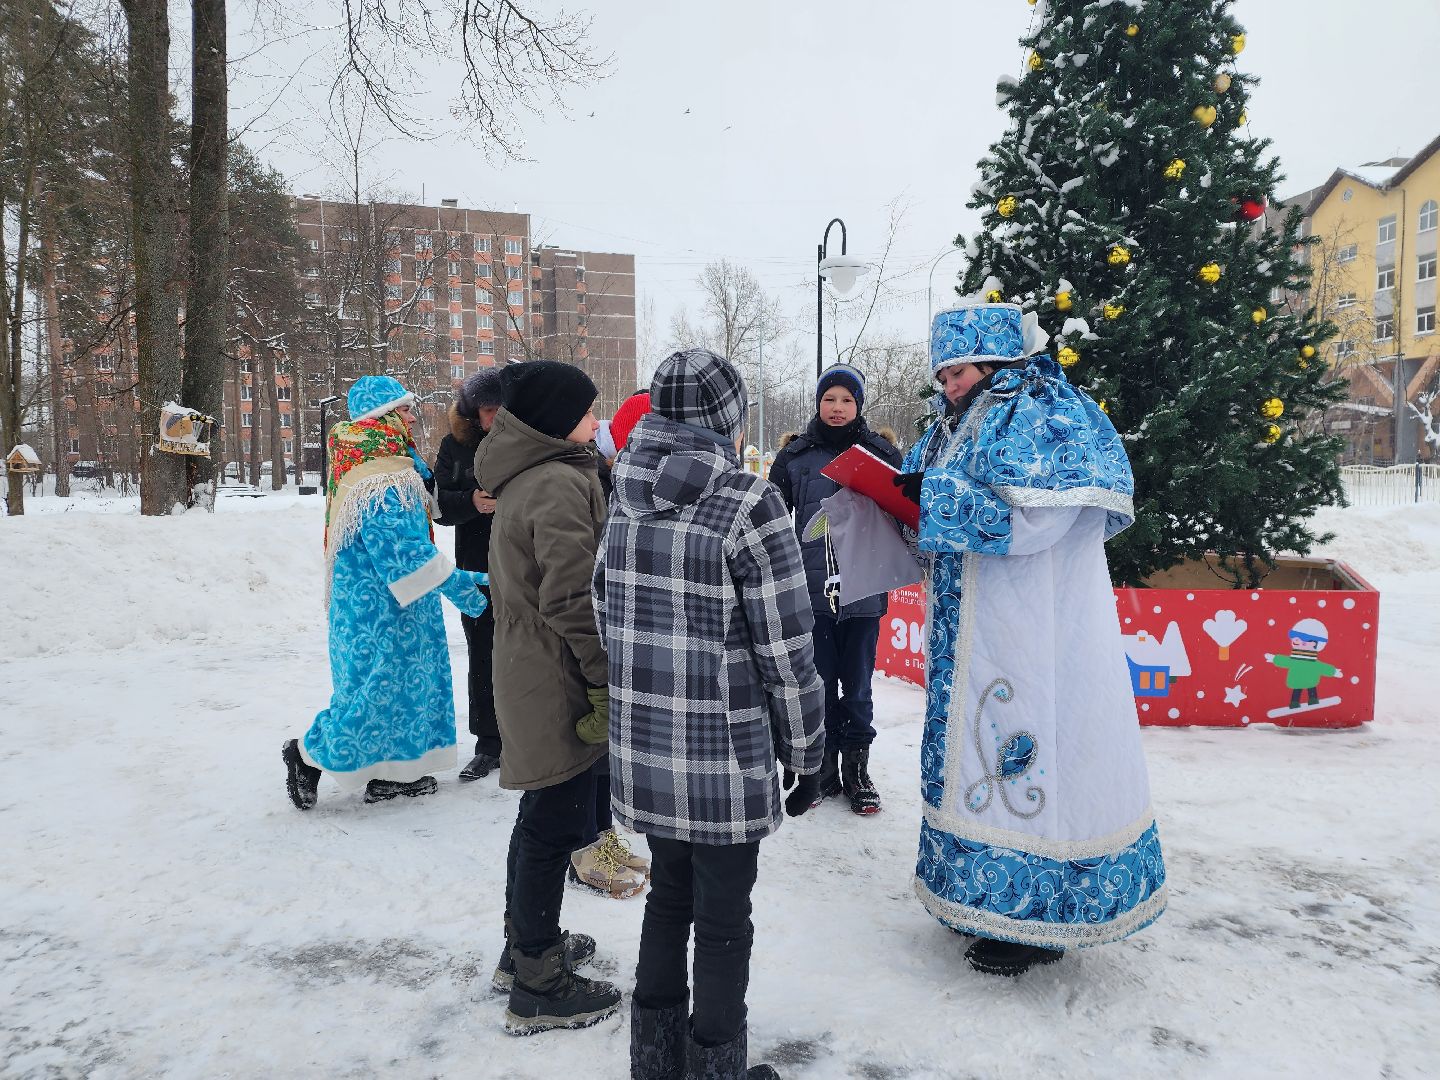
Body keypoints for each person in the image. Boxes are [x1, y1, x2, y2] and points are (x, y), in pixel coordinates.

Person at [892, 295, 1167, 977]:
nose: (947, 385)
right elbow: (928, 499)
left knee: (1032, 745)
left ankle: (1039, 919)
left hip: (1032, 625)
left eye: (957, 372)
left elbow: (1041, 521)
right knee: (974, 755)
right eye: (944, 374)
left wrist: (932, 501)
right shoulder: (958, 421)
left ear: (994, 360)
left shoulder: (1045, 411)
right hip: (971, 626)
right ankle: (976, 898)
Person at [595, 348, 824, 1080]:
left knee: (668, 895)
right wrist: (807, 752)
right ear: (730, 415)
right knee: (723, 918)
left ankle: (656, 1064)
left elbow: (604, 607)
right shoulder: (749, 502)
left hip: (646, 745)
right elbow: (786, 646)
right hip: (724, 749)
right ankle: (717, 1067)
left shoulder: (621, 491)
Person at [474, 359, 622, 1035]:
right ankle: (537, 981)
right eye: (590, 410)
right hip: (554, 671)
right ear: (560, 419)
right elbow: (570, 597)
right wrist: (600, 674)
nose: (599, 419)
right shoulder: (560, 483)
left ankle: (524, 947)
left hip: (533, 662)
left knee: (541, 814)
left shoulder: (536, 476)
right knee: (552, 821)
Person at [282, 375, 489, 809]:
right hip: (382, 608)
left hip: (386, 603)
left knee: (397, 690)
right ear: (384, 417)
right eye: (405, 410)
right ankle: (308, 756)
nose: (413, 418)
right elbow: (402, 552)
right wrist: (463, 587)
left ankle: (394, 773)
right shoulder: (381, 474)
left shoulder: (383, 461)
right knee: (376, 692)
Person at [769, 363, 902, 815]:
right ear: (818, 403)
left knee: (859, 686)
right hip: (811, 593)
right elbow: (770, 519)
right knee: (820, 684)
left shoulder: (880, 453)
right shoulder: (796, 456)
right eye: (830, 399)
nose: (838, 408)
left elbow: (900, 514)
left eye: (847, 400)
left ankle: (857, 770)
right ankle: (821, 768)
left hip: (864, 591)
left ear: (859, 405)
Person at [433, 369, 503, 781]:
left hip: (523, 568)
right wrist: (471, 501)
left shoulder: (522, 444)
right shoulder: (453, 446)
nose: (493, 416)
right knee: (482, 657)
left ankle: (526, 737)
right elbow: (439, 504)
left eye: (499, 408)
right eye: (487, 409)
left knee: (525, 656)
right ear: (473, 412)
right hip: (476, 571)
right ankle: (489, 744)